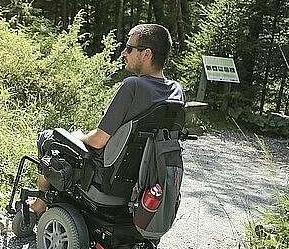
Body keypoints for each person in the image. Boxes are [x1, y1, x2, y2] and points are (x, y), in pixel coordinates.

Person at [29, 23, 185, 214]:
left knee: (48, 137)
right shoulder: (176, 92)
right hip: (144, 182)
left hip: (107, 179)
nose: (123, 53)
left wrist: (78, 136)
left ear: (146, 54)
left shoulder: (132, 86)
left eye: (129, 48)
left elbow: (98, 141)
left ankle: (40, 203)